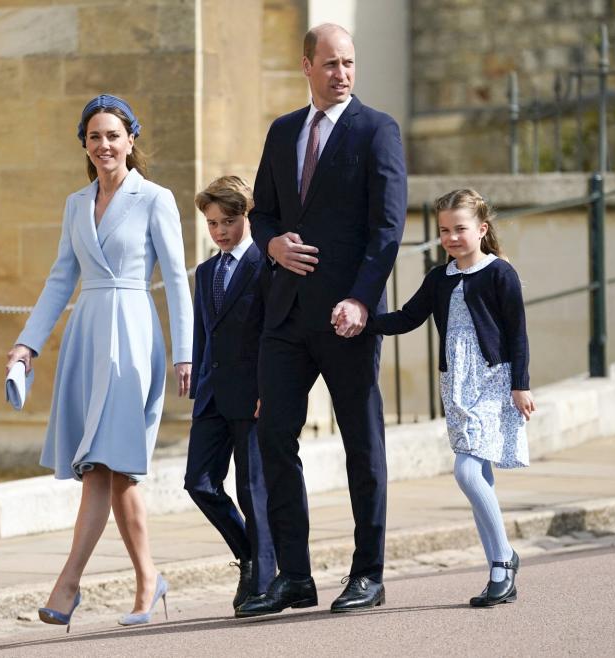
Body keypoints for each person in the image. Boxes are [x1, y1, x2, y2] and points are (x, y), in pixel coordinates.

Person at [235, 24, 407, 617]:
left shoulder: (377, 130)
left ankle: (369, 573)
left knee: (363, 444)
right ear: (306, 65)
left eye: (349, 63)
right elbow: (261, 214)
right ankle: (296, 578)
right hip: (285, 317)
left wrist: (361, 299)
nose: (342, 74)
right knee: (273, 438)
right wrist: (274, 244)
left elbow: (387, 231)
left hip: (347, 318)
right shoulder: (283, 132)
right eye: (330, 64)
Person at [4, 94, 193, 630]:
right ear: (84, 145)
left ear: (131, 139)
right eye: (94, 137)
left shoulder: (155, 198)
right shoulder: (75, 204)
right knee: (107, 471)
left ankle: (70, 585)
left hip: (134, 338)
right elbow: (60, 278)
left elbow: (177, 280)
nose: (104, 145)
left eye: (113, 135)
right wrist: (27, 345)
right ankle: (147, 579)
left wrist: (186, 353)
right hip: (89, 336)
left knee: (109, 468)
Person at [368, 188, 534, 607]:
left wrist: (521, 384)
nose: (451, 237)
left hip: (493, 382)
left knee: (465, 472)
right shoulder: (439, 278)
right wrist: (363, 322)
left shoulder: (500, 273)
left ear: (481, 228)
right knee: (481, 477)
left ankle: (503, 560)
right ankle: (499, 567)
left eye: (460, 229)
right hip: (456, 383)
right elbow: (407, 317)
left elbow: (517, 332)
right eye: (444, 230)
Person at [184, 176, 276, 611]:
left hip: (253, 394)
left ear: (247, 217)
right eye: (212, 223)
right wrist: (199, 384)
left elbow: (271, 336)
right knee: (199, 483)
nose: (220, 231)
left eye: (228, 221)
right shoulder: (205, 273)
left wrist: (268, 388)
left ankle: (261, 579)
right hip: (212, 395)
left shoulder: (264, 265)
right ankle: (249, 554)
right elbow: (204, 334)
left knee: (251, 487)